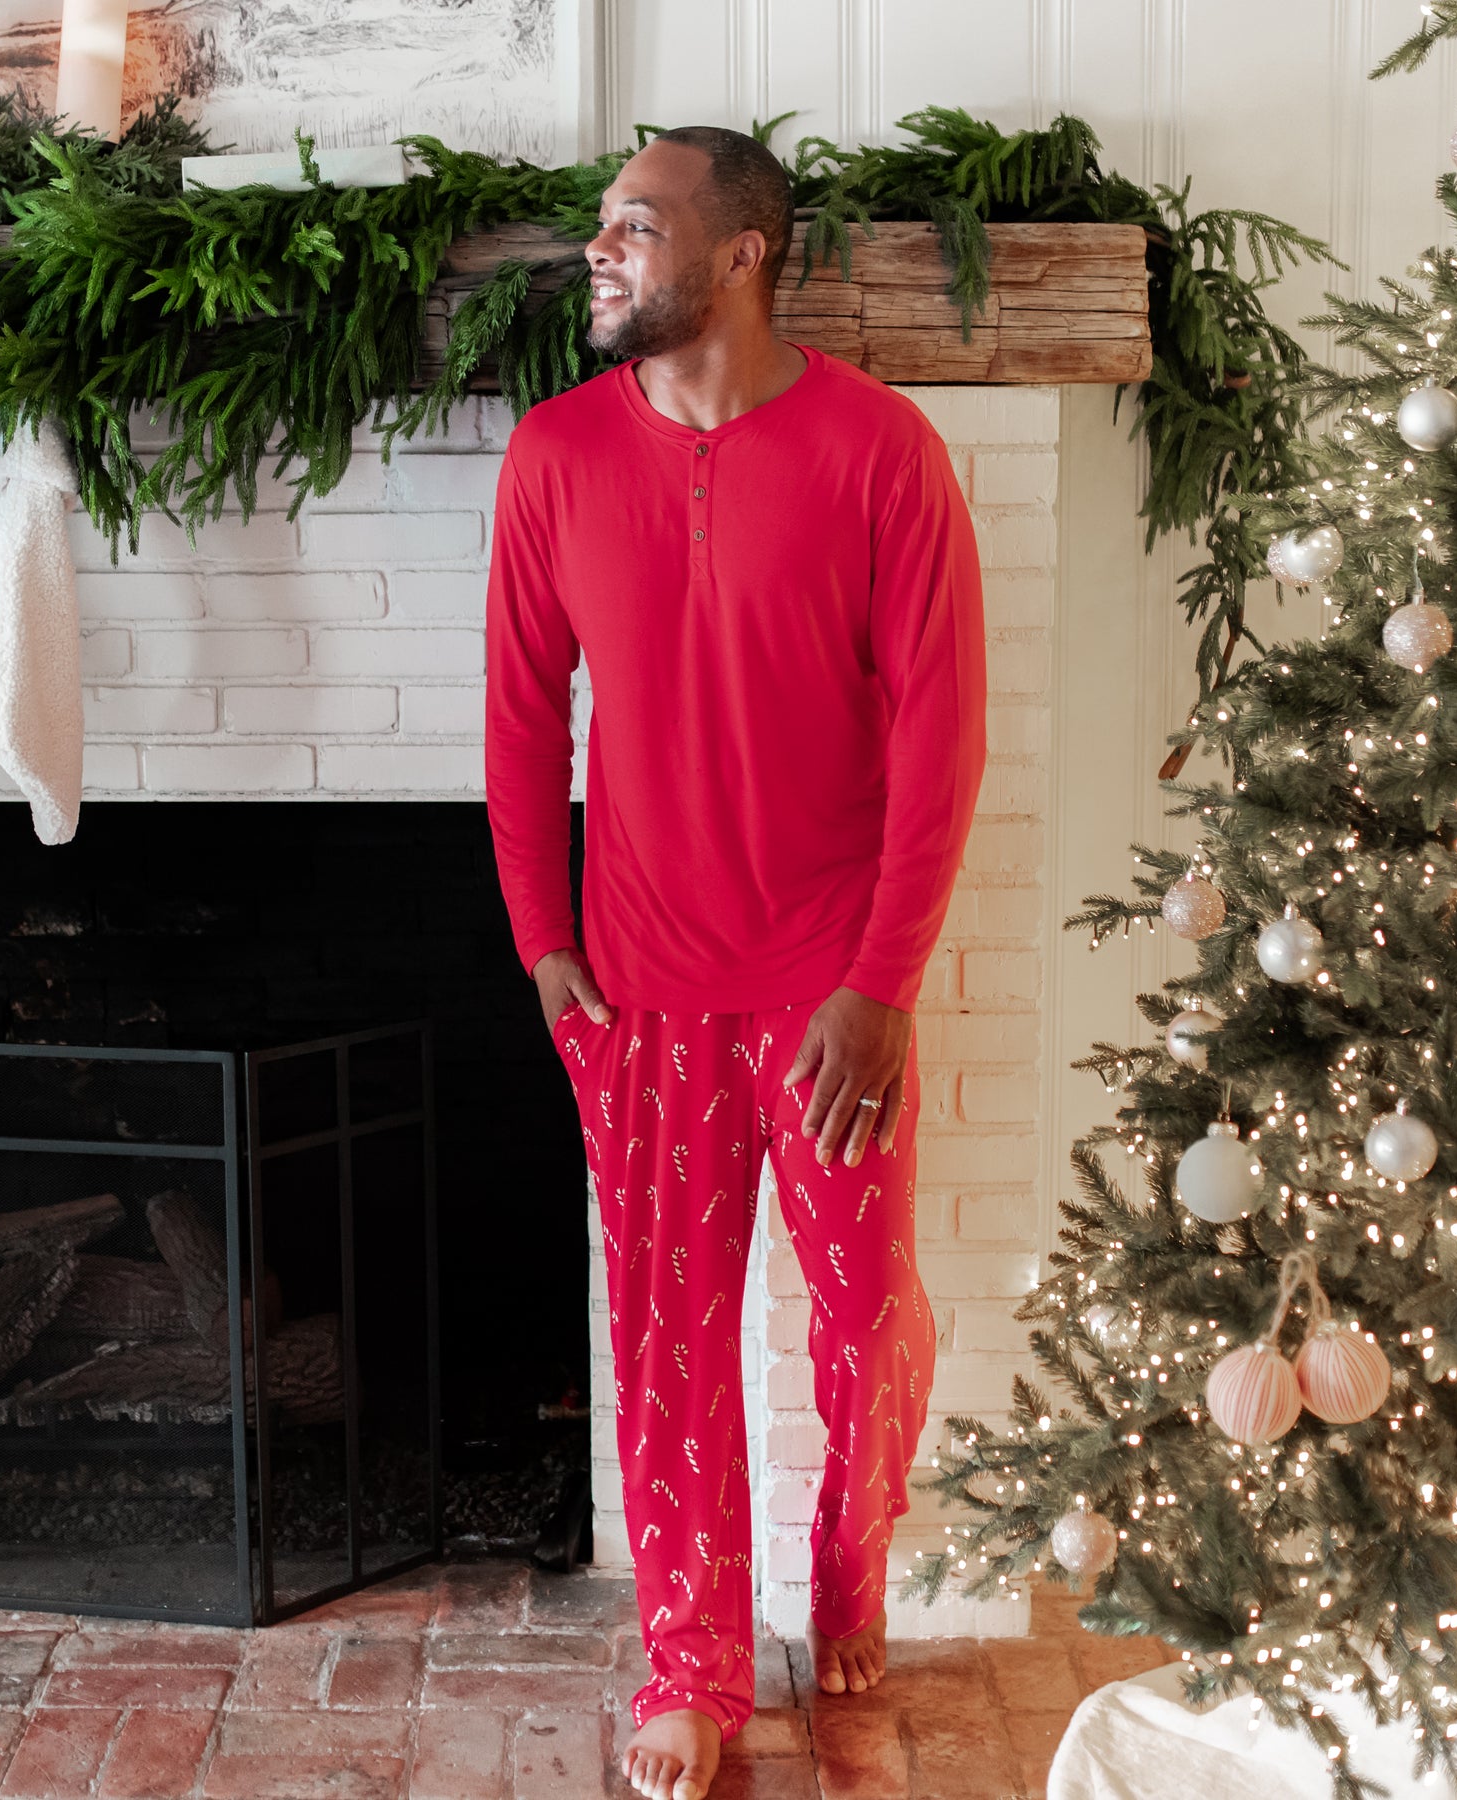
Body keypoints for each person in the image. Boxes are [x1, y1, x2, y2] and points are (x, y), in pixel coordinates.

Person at [484, 123, 986, 1800]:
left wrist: (887, 983)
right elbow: (514, 714)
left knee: (863, 1319)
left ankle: (849, 1558)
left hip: (835, 995)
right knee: (672, 1339)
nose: (601, 251)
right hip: (638, 994)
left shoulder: (881, 452)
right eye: (601, 226)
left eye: (636, 224)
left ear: (747, 250)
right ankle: (691, 1664)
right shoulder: (555, 455)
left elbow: (941, 737)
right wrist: (544, 942)